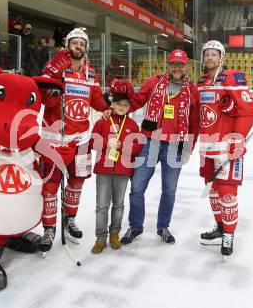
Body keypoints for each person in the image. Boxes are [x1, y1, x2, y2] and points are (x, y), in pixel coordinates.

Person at [113, 49, 199, 245]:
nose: (177, 68)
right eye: (174, 64)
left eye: (181, 64)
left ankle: (163, 227)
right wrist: (116, 107)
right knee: (136, 188)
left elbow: (194, 122)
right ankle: (135, 226)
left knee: (169, 190)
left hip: (175, 144)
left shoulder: (192, 90)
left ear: (186, 67)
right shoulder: (154, 82)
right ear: (168, 65)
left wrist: (189, 147)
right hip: (149, 141)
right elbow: (136, 101)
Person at [38, 28, 111, 252]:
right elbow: (45, 101)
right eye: (74, 42)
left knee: (77, 183)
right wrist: (52, 79)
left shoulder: (91, 74)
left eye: (82, 43)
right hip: (54, 139)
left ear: (86, 48)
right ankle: (49, 228)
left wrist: (110, 102)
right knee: (50, 186)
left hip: (81, 140)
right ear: (67, 45)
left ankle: (69, 219)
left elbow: (97, 102)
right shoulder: (55, 69)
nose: (78, 46)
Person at [197, 40, 253, 257]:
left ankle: (229, 235)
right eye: (207, 54)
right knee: (213, 189)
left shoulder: (231, 77)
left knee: (227, 193)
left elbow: (249, 111)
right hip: (207, 148)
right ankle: (220, 227)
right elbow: (200, 116)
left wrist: (237, 139)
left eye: (214, 54)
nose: (210, 58)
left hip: (226, 147)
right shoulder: (202, 82)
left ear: (221, 57)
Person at [89, 91, 143, 254]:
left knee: (118, 205)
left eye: (125, 105)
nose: (122, 107)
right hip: (104, 170)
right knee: (102, 206)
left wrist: (125, 146)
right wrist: (106, 142)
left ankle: (114, 233)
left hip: (123, 170)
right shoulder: (103, 122)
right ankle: (100, 238)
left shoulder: (133, 125)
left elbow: (138, 146)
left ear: (129, 108)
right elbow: (92, 142)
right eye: (119, 104)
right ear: (112, 104)